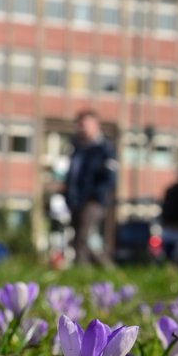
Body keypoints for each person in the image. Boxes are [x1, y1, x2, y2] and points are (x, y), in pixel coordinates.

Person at [64, 109, 117, 267]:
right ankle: (107, 267)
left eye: (84, 123)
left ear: (96, 125)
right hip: (76, 199)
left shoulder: (104, 148)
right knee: (81, 237)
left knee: (83, 236)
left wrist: (97, 193)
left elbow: (110, 176)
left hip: (94, 199)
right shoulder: (76, 147)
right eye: (79, 124)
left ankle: (81, 271)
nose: (81, 127)